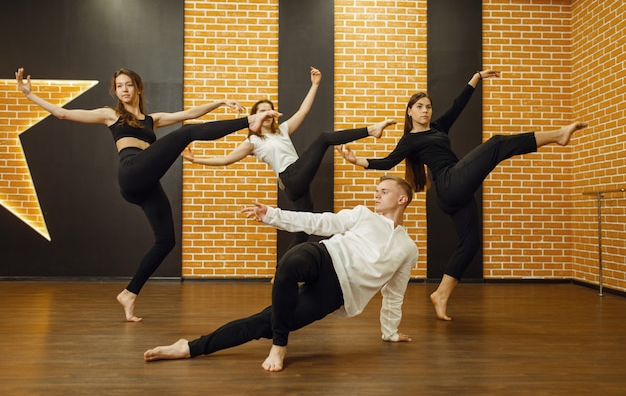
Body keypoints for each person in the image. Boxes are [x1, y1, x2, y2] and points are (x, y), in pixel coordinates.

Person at [15, 67, 279, 322]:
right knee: (186, 133)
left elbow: (189, 112)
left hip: (146, 183)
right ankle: (249, 122)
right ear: (115, 92)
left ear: (138, 88)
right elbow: (63, 114)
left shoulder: (152, 120)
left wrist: (220, 101)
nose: (124, 89)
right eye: (119, 86)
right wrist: (29, 94)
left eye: (129, 84)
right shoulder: (110, 115)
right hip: (131, 172)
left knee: (166, 241)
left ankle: (129, 294)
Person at [337, 70, 587, 321]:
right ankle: (558, 135)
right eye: (420, 106)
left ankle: (441, 294)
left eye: (428, 107)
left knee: (470, 243)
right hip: (448, 183)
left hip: (454, 189)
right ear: (409, 111)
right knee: (498, 143)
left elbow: (459, 105)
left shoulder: (436, 128)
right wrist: (356, 160)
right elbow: (388, 161)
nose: (425, 111)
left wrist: (476, 77)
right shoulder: (410, 140)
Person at [143, 175, 418, 372]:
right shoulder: (363, 215)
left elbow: (394, 293)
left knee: (264, 321)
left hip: (335, 293)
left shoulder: (407, 248)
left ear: (402, 199)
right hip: (324, 257)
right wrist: (272, 215)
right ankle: (279, 343)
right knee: (289, 263)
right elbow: (319, 221)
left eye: (383, 191)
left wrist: (390, 332)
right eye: (377, 190)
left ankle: (189, 347)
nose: (376, 195)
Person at [182, 66, 396, 253]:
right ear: (254, 116)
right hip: (291, 177)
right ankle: (372, 129)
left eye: (269, 110)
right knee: (323, 138)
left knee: (305, 226)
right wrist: (195, 159)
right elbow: (225, 160)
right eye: (262, 111)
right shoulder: (253, 141)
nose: (267, 113)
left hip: (297, 183)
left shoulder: (282, 130)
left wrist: (315, 84)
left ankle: (280, 271)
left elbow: (303, 111)